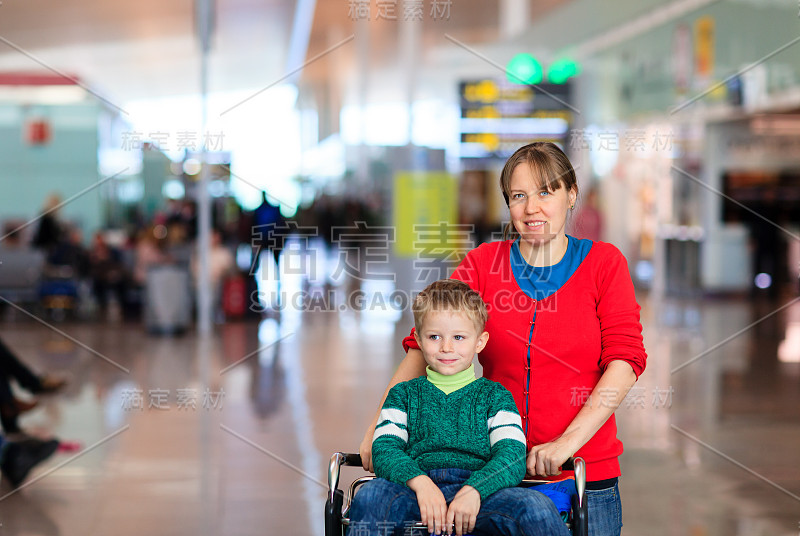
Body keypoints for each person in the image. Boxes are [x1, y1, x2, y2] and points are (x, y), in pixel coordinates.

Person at [360, 142, 647, 536]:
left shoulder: (603, 264)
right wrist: (378, 428)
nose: (532, 208)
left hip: (584, 474)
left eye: (546, 191)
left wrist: (565, 444)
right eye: (519, 195)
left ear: (571, 194)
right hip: (494, 475)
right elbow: (422, 342)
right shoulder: (483, 264)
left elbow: (625, 361)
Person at [349, 279, 570, 536]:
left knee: (536, 507)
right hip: (415, 490)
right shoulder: (404, 394)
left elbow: (512, 455)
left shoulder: (494, 396)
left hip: (481, 492)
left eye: (458, 337)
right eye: (434, 337)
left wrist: (476, 489)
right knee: (370, 496)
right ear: (419, 340)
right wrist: (421, 484)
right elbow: (385, 449)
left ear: (480, 342)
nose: (447, 347)